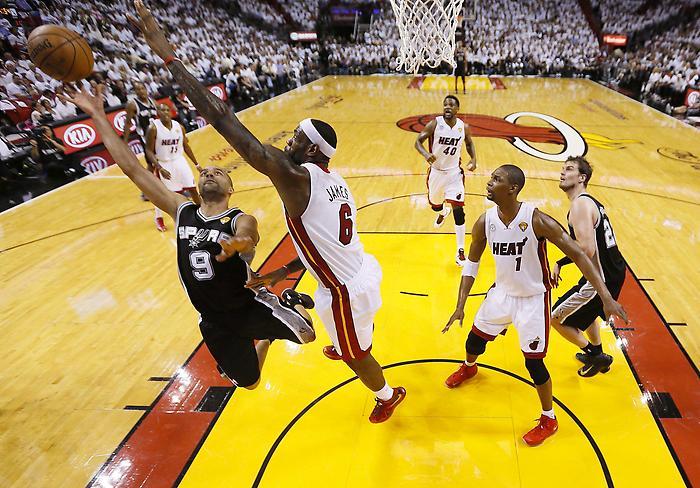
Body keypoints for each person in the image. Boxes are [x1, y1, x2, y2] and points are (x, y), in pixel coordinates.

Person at [134, 0, 406, 423]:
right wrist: (281, 273)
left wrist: (170, 58)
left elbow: (225, 119)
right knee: (349, 332)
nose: (288, 142)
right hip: (358, 269)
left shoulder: (297, 177)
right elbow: (324, 243)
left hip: (344, 291)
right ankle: (349, 336)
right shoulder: (335, 179)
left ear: (311, 150)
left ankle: (387, 395)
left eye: (296, 137)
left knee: (358, 356)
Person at [60, 85, 316, 390]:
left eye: (218, 173)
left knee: (307, 333)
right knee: (249, 383)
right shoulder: (182, 210)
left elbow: (249, 235)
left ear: (230, 189)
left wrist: (239, 243)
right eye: (205, 172)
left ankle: (289, 300)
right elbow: (131, 168)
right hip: (213, 318)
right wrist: (97, 115)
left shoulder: (238, 218)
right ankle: (267, 340)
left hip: (247, 306)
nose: (209, 173)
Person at [442, 164, 628, 446]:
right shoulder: (484, 221)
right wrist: (460, 304)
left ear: (512, 188)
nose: (489, 183)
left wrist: (605, 296)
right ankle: (469, 367)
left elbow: (579, 254)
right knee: (473, 341)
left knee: (534, 364)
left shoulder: (537, 220)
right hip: (501, 295)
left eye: (496, 179)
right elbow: (472, 263)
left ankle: (548, 418)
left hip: (532, 300)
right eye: (491, 178)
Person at [550, 156, 627, 377]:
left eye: (569, 169)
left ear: (582, 178)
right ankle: (597, 351)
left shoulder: (580, 205)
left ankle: (595, 356)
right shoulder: (589, 202)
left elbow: (586, 249)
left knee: (555, 318)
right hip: (610, 270)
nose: (562, 172)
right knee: (588, 312)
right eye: (562, 169)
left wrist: (560, 261)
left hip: (601, 277)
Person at [414, 95, 477, 264]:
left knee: (459, 209)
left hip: (454, 173)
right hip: (436, 173)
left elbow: (469, 143)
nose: (447, 107)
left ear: (457, 109)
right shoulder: (435, 124)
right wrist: (426, 154)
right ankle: (443, 212)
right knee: (435, 204)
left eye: (451, 105)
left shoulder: (463, 127)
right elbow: (418, 142)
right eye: (445, 104)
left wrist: (473, 159)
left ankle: (460, 250)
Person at [145, 103, 202, 231]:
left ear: (171, 112)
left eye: (167, 110)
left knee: (192, 188)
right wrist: (159, 168)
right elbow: (148, 150)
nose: (165, 112)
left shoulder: (179, 126)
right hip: (164, 163)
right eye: (161, 110)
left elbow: (186, 146)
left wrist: (196, 164)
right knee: (165, 194)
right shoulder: (153, 128)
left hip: (179, 160)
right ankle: (159, 218)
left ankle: (201, 214)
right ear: (157, 114)